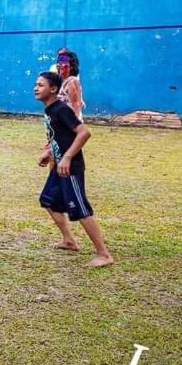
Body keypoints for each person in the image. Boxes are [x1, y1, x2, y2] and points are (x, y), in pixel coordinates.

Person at [34, 71, 113, 269]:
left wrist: (68, 157)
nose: (36, 88)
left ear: (53, 89)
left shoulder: (61, 109)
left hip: (70, 168)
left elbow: (84, 132)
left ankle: (104, 254)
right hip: (58, 166)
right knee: (48, 200)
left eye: (41, 85)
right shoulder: (49, 110)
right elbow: (59, 135)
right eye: (35, 84)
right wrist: (49, 152)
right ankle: (69, 241)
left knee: (80, 209)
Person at [56, 50, 85, 119]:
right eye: (59, 61)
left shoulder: (72, 82)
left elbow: (76, 106)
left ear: (71, 66)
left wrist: (75, 126)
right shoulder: (62, 81)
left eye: (63, 62)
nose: (59, 64)